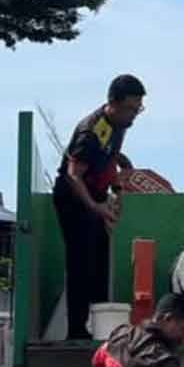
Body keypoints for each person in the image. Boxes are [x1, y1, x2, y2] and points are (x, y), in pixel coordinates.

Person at [54, 74, 145, 339]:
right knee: (81, 262)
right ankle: (76, 331)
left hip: (96, 194)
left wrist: (117, 191)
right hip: (73, 196)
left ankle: (101, 326)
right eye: (130, 108)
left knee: (101, 261)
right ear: (113, 103)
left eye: (138, 109)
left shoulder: (120, 125)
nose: (134, 115)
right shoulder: (91, 131)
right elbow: (74, 175)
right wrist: (96, 208)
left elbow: (111, 158)